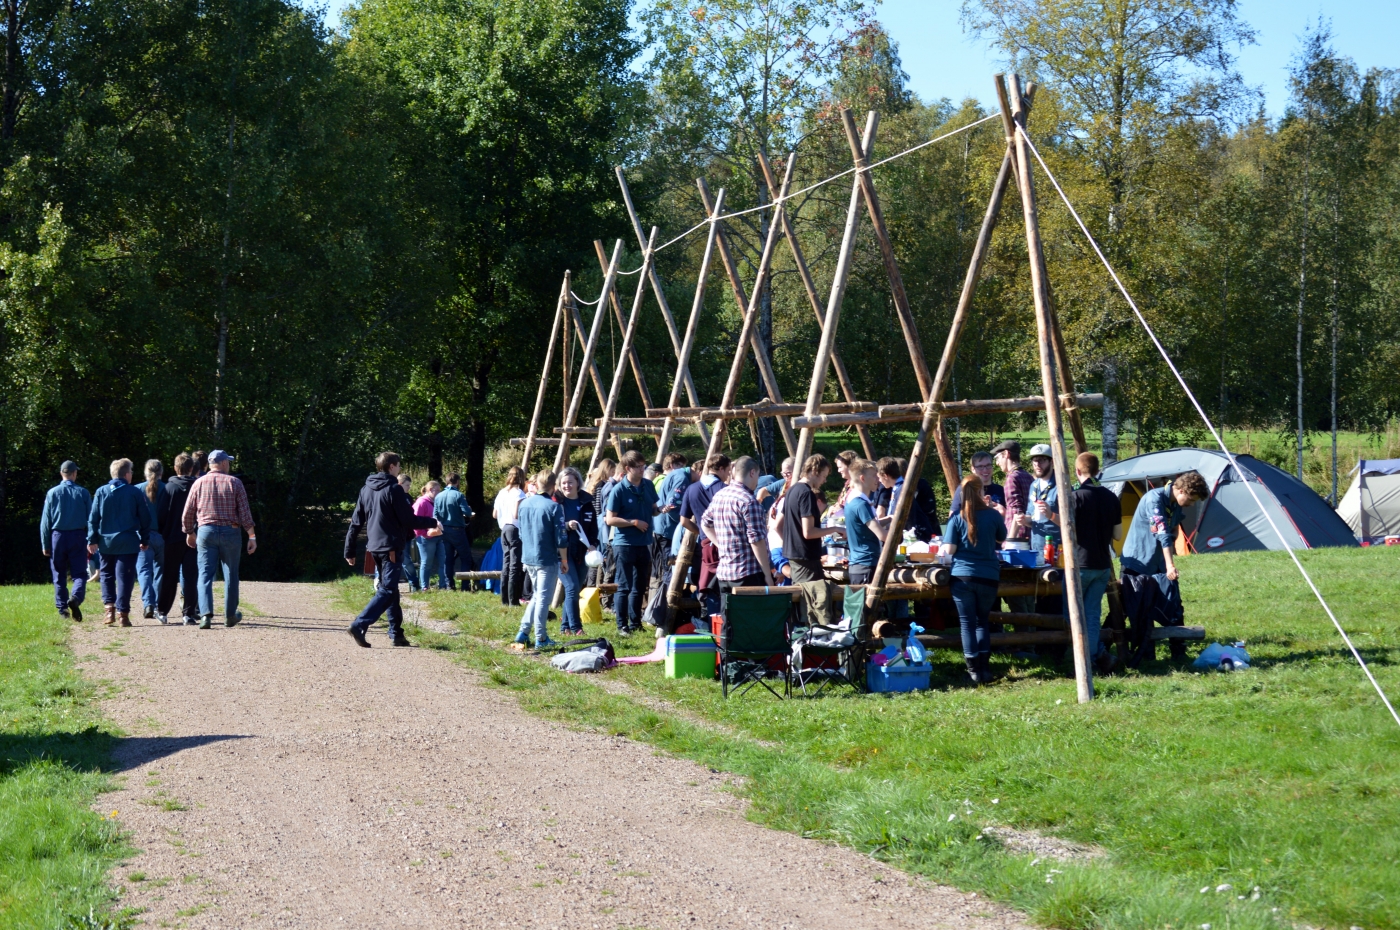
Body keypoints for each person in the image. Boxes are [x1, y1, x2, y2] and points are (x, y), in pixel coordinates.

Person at [344, 452, 438, 647]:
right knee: (387, 589)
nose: (400, 469)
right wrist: (433, 521)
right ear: (392, 467)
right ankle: (360, 623)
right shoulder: (394, 489)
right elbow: (408, 519)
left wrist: (349, 550)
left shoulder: (366, 489)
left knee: (391, 588)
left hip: (374, 547)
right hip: (391, 547)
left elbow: (355, 522)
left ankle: (396, 633)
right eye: (399, 465)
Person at [1119, 470, 1209, 660]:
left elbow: (1173, 529)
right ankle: (1142, 654)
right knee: (1136, 610)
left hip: (1157, 562)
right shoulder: (1154, 499)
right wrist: (1170, 565)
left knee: (1172, 604)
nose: (1192, 505)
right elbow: (1162, 534)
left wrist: (1172, 538)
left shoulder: (1174, 503)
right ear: (1183, 491)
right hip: (1138, 561)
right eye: (1192, 500)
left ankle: (1178, 653)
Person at [940, 474, 1009, 684]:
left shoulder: (957, 517)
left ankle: (973, 671)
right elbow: (1002, 538)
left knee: (967, 624)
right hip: (988, 575)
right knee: (982, 622)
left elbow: (950, 549)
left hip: (962, 577)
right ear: (982, 492)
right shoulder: (993, 515)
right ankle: (985, 669)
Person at [181, 450, 256, 629]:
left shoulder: (198, 483)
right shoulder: (235, 483)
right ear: (223, 463)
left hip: (206, 532)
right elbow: (245, 513)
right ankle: (230, 615)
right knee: (231, 574)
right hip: (231, 532)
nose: (229, 465)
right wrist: (251, 536)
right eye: (228, 462)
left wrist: (189, 532)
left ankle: (206, 615)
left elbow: (188, 512)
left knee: (205, 574)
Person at [1069, 452, 1124, 671]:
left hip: (1080, 564)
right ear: (1098, 471)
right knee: (1091, 615)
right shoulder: (1111, 497)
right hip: (1102, 564)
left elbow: (1068, 531)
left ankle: (1089, 657)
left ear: (1077, 471)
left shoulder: (1075, 497)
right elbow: (1118, 535)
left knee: (1069, 613)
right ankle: (1093, 657)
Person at [781, 454, 846, 627]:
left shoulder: (792, 490)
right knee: (813, 607)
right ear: (815, 471)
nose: (824, 481)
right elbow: (808, 532)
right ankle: (813, 646)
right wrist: (836, 529)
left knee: (803, 604)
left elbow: (780, 525)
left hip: (795, 556)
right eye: (824, 476)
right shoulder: (806, 494)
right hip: (806, 559)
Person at [87, 459, 152, 626]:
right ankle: (123, 614)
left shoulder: (101, 492)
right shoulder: (134, 492)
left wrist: (92, 539)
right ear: (127, 474)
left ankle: (109, 611)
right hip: (128, 541)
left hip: (106, 543)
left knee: (107, 575)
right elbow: (145, 518)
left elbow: (93, 519)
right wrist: (145, 539)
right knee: (125, 577)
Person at [604, 450, 660, 635]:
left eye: (644, 465)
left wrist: (661, 509)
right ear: (628, 468)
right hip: (624, 544)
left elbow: (653, 509)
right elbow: (610, 519)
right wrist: (633, 522)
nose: (642, 469)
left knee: (639, 586)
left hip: (644, 543)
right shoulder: (618, 490)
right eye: (638, 466)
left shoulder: (648, 485)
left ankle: (636, 623)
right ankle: (622, 625)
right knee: (624, 585)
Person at [701, 455, 774, 594]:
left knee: (729, 616)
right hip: (748, 574)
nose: (757, 480)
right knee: (752, 615)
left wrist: (720, 544)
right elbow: (757, 541)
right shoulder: (749, 502)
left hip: (725, 573)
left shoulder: (720, 495)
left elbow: (705, 524)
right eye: (758, 475)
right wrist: (767, 574)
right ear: (752, 472)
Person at [515, 470, 568, 648]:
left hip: (528, 556)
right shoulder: (554, 507)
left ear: (536, 484)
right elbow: (561, 537)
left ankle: (523, 632)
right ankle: (541, 637)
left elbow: (521, 533)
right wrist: (565, 560)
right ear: (554, 486)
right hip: (546, 558)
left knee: (537, 596)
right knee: (544, 598)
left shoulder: (524, 504)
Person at [678, 453, 730, 627]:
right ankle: (722, 627)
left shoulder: (692, 488)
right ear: (721, 469)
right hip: (724, 543)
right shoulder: (724, 489)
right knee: (722, 586)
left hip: (705, 543)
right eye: (728, 471)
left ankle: (710, 623)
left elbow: (684, 521)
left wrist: (701, 532)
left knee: (707, 585)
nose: (728, 475)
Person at [41, 461, 92, 621]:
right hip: (78, 536)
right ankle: (75, 598)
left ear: (61, 474)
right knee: (79, 574)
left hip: (58, 537)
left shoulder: (52, 493)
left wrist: (45, 543)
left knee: (58, 574)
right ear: (74, 473)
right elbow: (91, 519)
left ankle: (63, 609)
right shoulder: (83, 493)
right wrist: (92, 539)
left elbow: (45, 522)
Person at [553, 467, 598, 637]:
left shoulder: (587, 502)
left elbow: (593, 528)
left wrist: (593, 544)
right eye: (564, 483)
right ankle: (576, 627)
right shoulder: (555, 502)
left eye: (570, 482)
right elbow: (552, 527)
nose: (567, 486)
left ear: (578, 483)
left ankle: (564, 626)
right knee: (571, 587)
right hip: (561, 552)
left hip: (582, 553)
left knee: (575, 588)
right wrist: (566, 526)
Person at [159, 454, 201, 625]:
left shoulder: (169, 488)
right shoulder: (198, 486)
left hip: (172, 538)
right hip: (193, 537)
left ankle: (163, 612)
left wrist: (163, 533)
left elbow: (161, 514)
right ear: (191, 469)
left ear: (176, 468)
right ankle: (189, 614)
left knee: (169, 575)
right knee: (191, 576)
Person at [842, 459, 888, 586]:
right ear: (862, 478)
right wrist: (900, 535)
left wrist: (890, 519)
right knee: (866, 605)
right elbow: (882, 535)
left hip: (861, 565)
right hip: (865, 565)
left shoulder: (853, 500)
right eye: (874, 475)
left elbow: (866, 527)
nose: (878, 479)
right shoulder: (861, 504)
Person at [133, 459, 169, 621]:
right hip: (163, 537)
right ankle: (158, 605)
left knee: (144, 571)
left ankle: (148, 603)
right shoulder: (168, 489)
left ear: (145, 473)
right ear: (161, 472)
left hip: (142, 536)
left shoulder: (136, 490)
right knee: (160, 572)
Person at [651, 453, 689, 580]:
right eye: (681, 465)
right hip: (667, 528)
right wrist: (684, 521)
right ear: (673, 465)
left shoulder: (659, 479)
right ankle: (666, 597)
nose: (683, 468)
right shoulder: (676, 478)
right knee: (668, 566)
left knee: (660, 567)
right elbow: (671, 505)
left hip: (658, 526)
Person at [435, 473, 475, 591]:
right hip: (457, 530)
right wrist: (469, 510)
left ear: (447, 482)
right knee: (465, 557)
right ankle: (464, 585)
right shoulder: (459, 495)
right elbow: (467, 513)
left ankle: (449, 585)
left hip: (444, 530)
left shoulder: (438, 496)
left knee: (448, 558)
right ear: (457, 482)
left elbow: (435, 515)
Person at [493, 467, 527, 606]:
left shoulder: (502, 492)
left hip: (503, 529)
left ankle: (504, 599)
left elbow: (494, 514)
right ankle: (513, 600)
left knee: (506, 564)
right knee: (515, 565)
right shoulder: (519, 493)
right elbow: (516, 514)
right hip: (514, 528)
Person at [1019, 443, 1060, 553]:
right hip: (1036, 548)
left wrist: (1051, 515)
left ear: (1052, 462)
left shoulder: (1062, 486)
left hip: (1057, 550)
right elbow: (1031, 518)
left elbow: (1071, 522)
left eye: (1041, 460)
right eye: (1034, 460)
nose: (1037, 464)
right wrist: (1024, 520)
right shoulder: (1034, 485)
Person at [948, 452, 1005, 518]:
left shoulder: (1001, 490)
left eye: (988, 465)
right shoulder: (964, 489)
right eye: (980, 466)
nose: (985, 470)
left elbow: (1013, 519)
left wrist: (1004, 512)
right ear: (973, 469)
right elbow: (953, 517)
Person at [413, 480, 446, 591]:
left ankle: (443, 585)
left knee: (444, 560)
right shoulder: (421, 502)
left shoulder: (436, 502)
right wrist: (424, 533)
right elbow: (415, 521)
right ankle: (424, 586)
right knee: (427, 562)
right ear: (430, 490)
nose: (439, 493)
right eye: (437, 490)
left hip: (438, 536)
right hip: (425, 538)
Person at [397, 474, 420, 592]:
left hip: (407, 534)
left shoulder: (408, 497)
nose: (409, 488)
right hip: (396, 535)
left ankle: (414, 582)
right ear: (400, 484)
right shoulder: (394, 496)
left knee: (406, 560)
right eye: (407, 485)